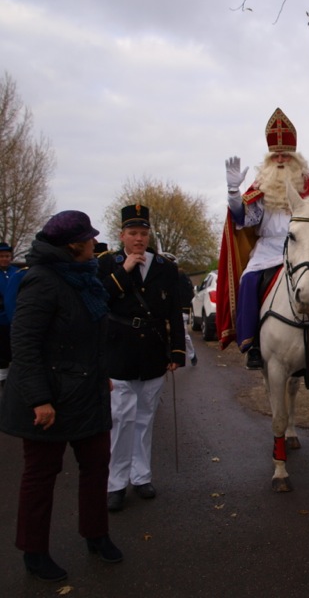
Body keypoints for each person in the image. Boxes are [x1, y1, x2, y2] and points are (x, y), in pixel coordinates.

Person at [0, 211, 122, 582]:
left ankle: (96, 534)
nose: (94, 243)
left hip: (87, 391)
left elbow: (91, 334)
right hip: (49, 397)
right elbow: (24, 344)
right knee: (41, 474)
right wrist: (39, 399)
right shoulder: (41, 281)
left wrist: (103, 376)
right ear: (74, 245)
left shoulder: (85, 278)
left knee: (97, 464)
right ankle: (34, 552)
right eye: (89, 239)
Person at [217, 107, 309, 370]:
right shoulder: (261, 185)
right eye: (275, 155)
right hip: (268, 249)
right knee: (250, 280)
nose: (280, 159)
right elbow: (244, 219)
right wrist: (233, 193)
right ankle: (253, 345)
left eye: (285, 154)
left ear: (294, 157)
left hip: (306, 247)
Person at [98, 205, 185, 512]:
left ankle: (142, 476)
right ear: (122, 235)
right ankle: (116, 483)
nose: (138, 239)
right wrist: (125, 271)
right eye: (133, 233)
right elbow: (100, 299)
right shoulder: (108, 263)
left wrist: (177, 350)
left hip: (152, 351)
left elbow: (174, 310)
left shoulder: (164, 267)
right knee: (121, 419)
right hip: (119, 350)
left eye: (143, 234)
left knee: (145, 418)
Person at [164, 253, 197, 366]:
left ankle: (192, 355)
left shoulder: (180, 276)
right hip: (164, 311)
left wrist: (184, 309)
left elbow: (187, 294)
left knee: (183, 334)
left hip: (180, 310)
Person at [0, 241, 21, 385]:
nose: (5, 259)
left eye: (7, 256)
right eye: (2, 256)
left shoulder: (16, 272)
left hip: (15, 317)